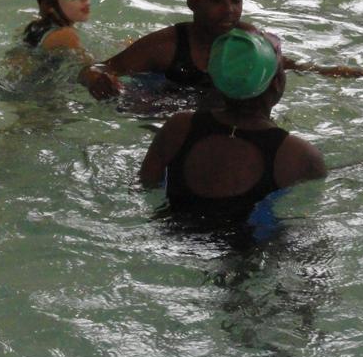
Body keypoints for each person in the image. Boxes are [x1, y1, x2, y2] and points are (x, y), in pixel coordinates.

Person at [83, 0, 363, 99]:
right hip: (164, 104)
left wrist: (323, 71)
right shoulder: (166, 46)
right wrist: (98, 79)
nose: (229, 9)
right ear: (193, 5)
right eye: (216, 0)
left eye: (236, 0)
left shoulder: (247, 37)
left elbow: (281, 63)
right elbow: (98, 68)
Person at [139, 29, 326, 224]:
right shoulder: (299, 155)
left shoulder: (178, 127)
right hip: (250, 243)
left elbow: (146, 184)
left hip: (171, 233)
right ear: (277, 82)